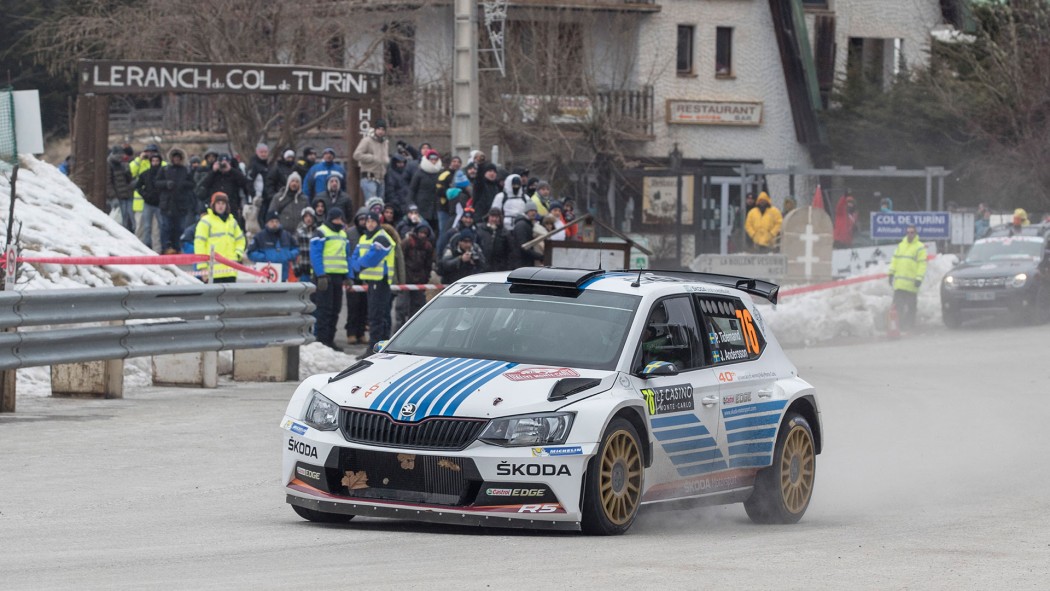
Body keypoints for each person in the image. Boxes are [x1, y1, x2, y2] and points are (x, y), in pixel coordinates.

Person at [350, 212, 397, 357]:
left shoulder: (382, 237)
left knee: (377, 318)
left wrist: (358, 265)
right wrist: (358, 265)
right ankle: (378, 348)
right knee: (375, 317)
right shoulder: (365, 237)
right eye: (368, 221)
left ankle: (374, 349)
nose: (369, 224)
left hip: (381, 283)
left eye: (373, 221)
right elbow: (354, 256)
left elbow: (372, 259)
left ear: (378, 223)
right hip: (371, 283)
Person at [309, 207, 351, 352]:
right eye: (337, 219)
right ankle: (321, 341)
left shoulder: (343, 235)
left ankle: (330, 340)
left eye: (341, 219)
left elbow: (347, 257)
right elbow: (315, 255)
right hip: (325, 277)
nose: (339, 221)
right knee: (324, 310)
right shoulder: (320, 232)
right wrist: (320, 274)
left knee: (335, 310)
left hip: (338, 277)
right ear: (331, 218)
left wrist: (348, 276)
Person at [194, 192, 246, 284]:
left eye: (223, 203)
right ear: (213, 205)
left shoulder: (232, 222)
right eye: (218, 203)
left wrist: (238, 254)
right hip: (212, 272)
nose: (221, 206)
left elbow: (240, 240)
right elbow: (199, 245)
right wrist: (202, 268)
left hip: (230, 271)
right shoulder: (206, 221)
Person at [155, 147, 198, 254]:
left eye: (178, 158)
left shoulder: (186, 170)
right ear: (172, 159)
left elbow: (192, 184)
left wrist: (183, 184)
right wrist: (166, 184)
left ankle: (177, 247)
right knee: (166, 227)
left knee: (179, 228)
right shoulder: (165, 169)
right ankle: (166, 247)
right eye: (175, 158)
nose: (176, 160)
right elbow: (156, 183)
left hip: (181, 204)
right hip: (167, 204)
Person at [888, 224, 927, 330]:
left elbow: (922, 264)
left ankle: (909, 326)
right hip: (900, 283)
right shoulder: (901, 245)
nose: (910, 234)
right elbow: (895, 260)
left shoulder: (920, 247)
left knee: (911, 307)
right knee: (897, 307)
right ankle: (897, 326)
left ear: (915, 233)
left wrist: (919, 278)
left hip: (911, 284)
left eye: (912, 232)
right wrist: (891, 273)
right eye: (908, 232)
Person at [200, 154, 254, 230]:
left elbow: (245, 183)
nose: (223, 165)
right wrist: (213, 171)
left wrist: (231, 170)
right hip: (215, 207)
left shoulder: (234, 173)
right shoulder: (214, 174)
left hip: (232, 206)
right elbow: (204, 184)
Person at [397, 224, 434, 328]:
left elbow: (428, 264)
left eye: (425, 234)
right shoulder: (407, 242)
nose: (422, 235)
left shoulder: (428, 246)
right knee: (401, 307)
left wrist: (425, 278)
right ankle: (398, 330)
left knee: (417, 308)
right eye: (421, 233)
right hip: (405, 280)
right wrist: (401, 278)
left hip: (419, 281)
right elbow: (400, 259)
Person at [247, 211, 299, 282]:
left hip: (283, 277)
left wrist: (288, 255)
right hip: (264, 277)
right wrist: (264, 257)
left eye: (277, 221)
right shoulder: (260, 236)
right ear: (267, 223)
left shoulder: (286, 235)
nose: (274, 224)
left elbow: (296, 248)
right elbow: (250, 252)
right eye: (272, 221)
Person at [353, 119, 390, 203]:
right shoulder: (367, 141)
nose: (380, 131)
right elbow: (356, 155)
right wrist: (372, 158)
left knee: (380, 205)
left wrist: (386, 160)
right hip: (369, 178)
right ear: (375, 129)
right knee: (372, 204)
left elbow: (384, 158)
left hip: (381, 178)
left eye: (383, 129)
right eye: (379, 129)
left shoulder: (385, 143)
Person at [134, 154, 165, 251]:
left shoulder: (164, 173)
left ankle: (158, 249)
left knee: (159, 228)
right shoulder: (145, 174)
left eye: (157, 161)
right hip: (148, 203)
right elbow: (138, 186)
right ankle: (145, 248)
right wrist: (145, 195)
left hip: (160, 204)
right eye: (153, 161)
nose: (155, 163)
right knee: (146, 227)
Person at [408, 149, 443, 232]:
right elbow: (412, 190)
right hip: (422, 206)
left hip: (436, 207)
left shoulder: (440, 172)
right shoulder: (419, 173)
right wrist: (411, 204)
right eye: (431, 159)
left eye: (435, 159)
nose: (433, 161)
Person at [106, 146, 135, 233]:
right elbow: (108, 183)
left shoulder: (123, 164)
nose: (120, 157)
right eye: (119, 155)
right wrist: (113, 197)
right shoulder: (109, 164)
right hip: (117, 197)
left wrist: (127, 172)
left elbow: (128, 181)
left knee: (128, 220)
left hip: (126, 195)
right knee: (119, 221)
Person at [508, 202, 543, 269]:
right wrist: (539, 256)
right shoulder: (522, 225)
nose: (534, 213)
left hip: (524, 262)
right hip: (521, 262)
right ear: (526, 212)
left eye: (535, 211)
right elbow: (523, 246)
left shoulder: (528, 224)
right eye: (531, 211)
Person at [475, 207, 509, 271]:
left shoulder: (504, 233)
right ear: (488, 217)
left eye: (496, 217)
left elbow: (509, 252)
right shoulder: (480, 230)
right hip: (482, 267)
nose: (494, 219)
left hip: (499, 267)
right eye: (492, 216)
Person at [295, 206, 318, 281]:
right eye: (306, 216)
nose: (308, 218)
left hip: (315, 269)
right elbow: (295, 252)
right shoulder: (298, 233)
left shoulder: (318, 232)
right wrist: (296, 268)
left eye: (310, 216)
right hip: (303, 269)